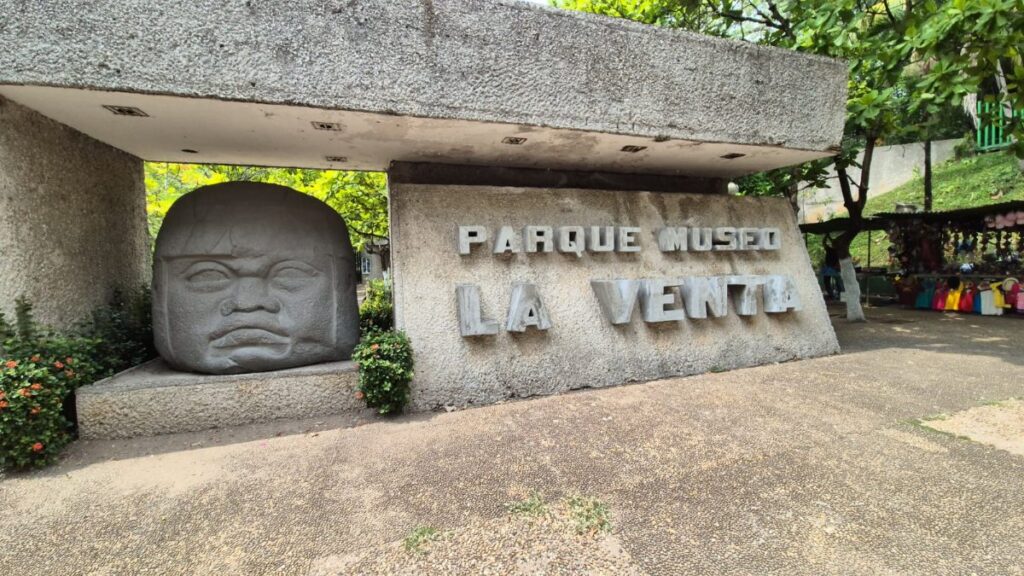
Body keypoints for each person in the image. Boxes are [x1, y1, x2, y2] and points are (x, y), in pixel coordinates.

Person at [820, 235, 843, 300]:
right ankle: (837, 296)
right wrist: (828, 237)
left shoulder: (830, 250)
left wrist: (827, 236)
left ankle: (833, 296)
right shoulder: (837, 250)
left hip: (830, 268)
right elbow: (825, 243)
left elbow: (824, 243)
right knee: (837, 283)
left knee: (829, 283)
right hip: (832, 268)